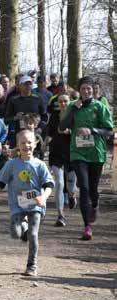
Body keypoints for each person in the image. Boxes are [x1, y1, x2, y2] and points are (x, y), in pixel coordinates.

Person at [0, 129, 54, 277]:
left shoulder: (39, 165)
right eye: (23, 143)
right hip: (17, 205)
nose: (26, 145)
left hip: (36, 205)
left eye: (30, 142)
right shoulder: (12, 164)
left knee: (33, 234)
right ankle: (23, 227)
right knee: (15, 233)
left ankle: (32, 265)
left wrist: (44, 197)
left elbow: (49, 185)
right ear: (17, 145)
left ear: (35, 144)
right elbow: (0, 181)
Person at [59, 76, 114, 240]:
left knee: (93, 190)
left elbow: (109, 131)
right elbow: (62, 126)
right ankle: (87, 226)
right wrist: (74, 109)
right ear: (79, 90)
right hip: (78, 152)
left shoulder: (100, 107)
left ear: (93, 89)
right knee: (83, 186)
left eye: (89, 88)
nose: (86, 91)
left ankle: (95, 204)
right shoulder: (72, 106)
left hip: (96, 153)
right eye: (83, 88)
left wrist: (92, 131)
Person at [44, 94, 78, 227]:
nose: (63, 104)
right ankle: (61, 215)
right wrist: (46, 140)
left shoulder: (74, 115)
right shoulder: (54, 116)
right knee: (58, 182)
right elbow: (50, 131)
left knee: (71, 183)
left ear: (69, 102)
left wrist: (70, 132)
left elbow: (79, 131)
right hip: (56, 152)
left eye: (65, 101)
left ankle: (72, 195)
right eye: (61, 101)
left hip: (71, 152)